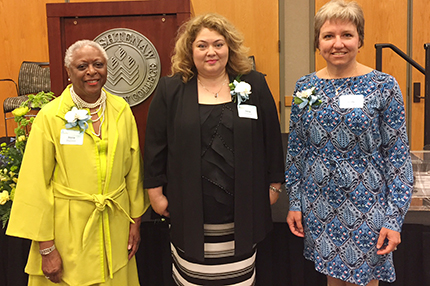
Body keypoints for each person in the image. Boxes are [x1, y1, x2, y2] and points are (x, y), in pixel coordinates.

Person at [144, 13, 284, 285]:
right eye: (202, 45)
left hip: (243, 207)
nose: (211, 52)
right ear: (190, 50)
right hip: (188, 207)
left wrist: (275, 185)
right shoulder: (171, 89)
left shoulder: (253, 84)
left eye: (218, 44)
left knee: (238, 278)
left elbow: (271, 138)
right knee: (193, 277)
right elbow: (155, 145)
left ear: (229, 47)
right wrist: (155, 193)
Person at [285, 1, 414, 286]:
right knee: (334, 277)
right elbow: (297, 149)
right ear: (318, 42)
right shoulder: (305, 87)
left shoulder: (384, 86)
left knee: (365, 277)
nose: (338, 43)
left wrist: (393, 219)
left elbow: (398, 157)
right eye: (328, 36)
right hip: (318, 202)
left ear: (360, 39)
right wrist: (295, 202)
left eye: (347, 34)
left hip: (367, 202)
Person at [6, 39, 149, 285]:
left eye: (98, 64)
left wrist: (134, 222)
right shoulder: (51, 117)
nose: (91, 71)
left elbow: (133, 171)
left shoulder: (121, 110)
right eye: (82, 66)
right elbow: (35, 183)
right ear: (69, 72)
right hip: (66, 234)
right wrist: (47, 249)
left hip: (115, 229)